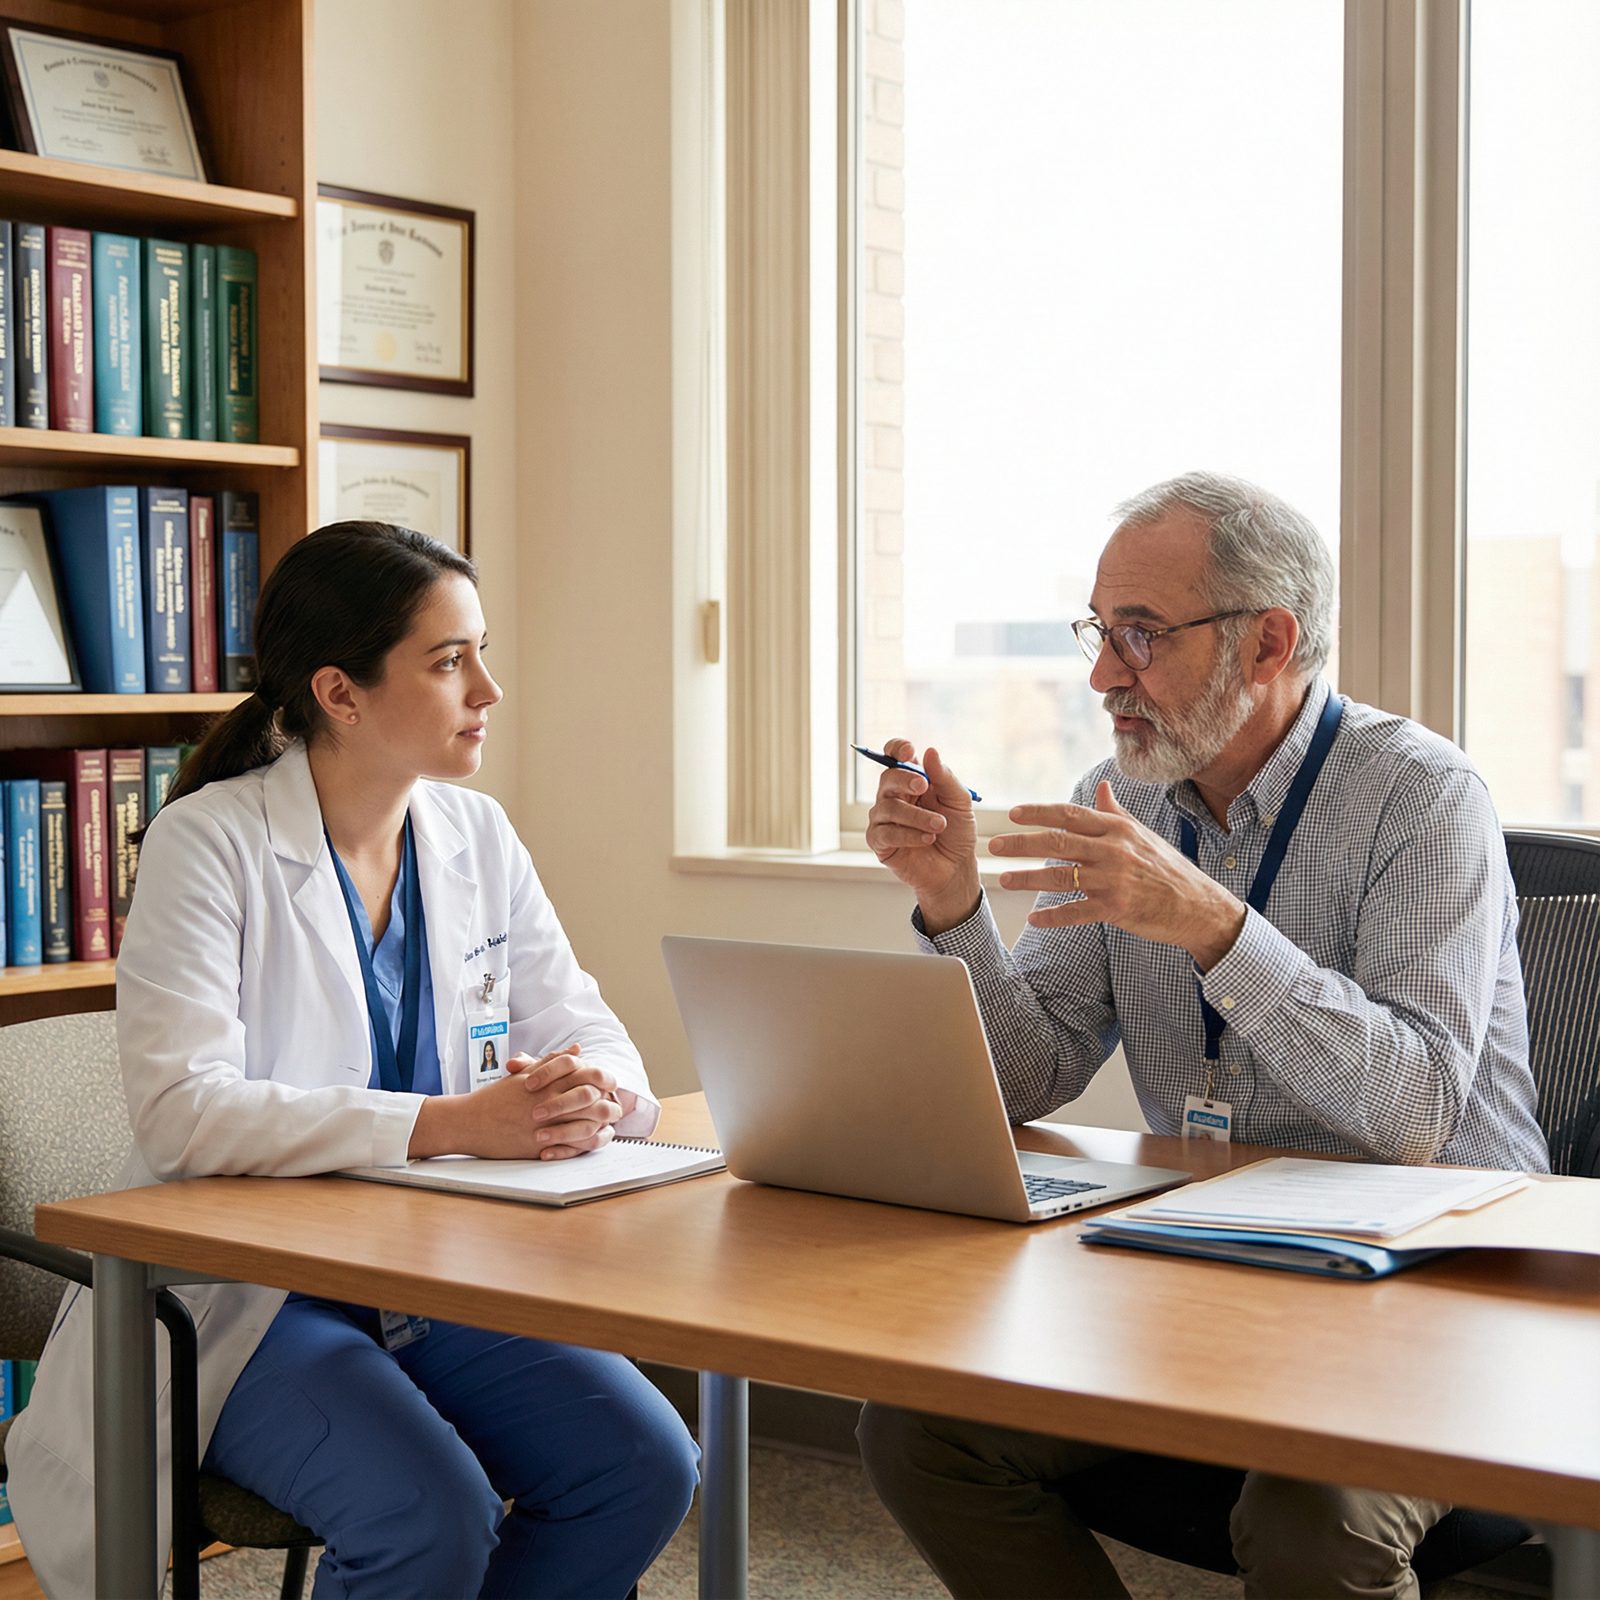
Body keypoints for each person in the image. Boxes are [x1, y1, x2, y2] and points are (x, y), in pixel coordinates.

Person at [855, 472, 1548, 1600]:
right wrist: (954, 906)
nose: (1098, 676)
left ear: (1266, 642)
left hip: (1435, 1290)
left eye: (1138, 635)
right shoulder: (1119, 797)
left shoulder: (1423, 798)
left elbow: (1417, 1112)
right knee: (920, 1429)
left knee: (1310, 1516)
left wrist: (1216, 927)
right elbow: (1032, 1071)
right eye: (1098, 630)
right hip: (1211, 1270)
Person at [5, 523, 699, 1599]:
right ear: (341, 690)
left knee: (644, 1466)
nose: (490, 689)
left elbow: (590, 1026)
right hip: (248, 1292)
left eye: (480, 651)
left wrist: (586, 1093)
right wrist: (455, 1124)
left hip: (433, 1270)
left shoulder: (477, 836)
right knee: (429, 1518)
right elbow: (183, 1113)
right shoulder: (208, 843)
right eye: (450, 659)